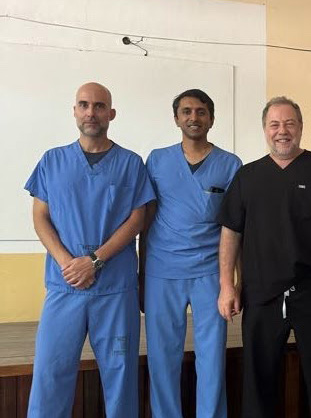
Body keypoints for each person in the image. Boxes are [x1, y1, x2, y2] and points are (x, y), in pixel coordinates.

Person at [24, 82, 155, 418]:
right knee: (50, 373)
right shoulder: (52, 160)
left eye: (99, 106)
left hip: (114, 289)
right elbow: (40, 217)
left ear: (111, 113)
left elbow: (137, 219)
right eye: (84, 105)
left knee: (121, 376)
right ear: (74, 111)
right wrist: (68, 263)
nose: (91, 112)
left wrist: (94, 261)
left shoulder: (130, 164)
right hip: (64, 285)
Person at [217, 96, 311, 418]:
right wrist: (227, 285)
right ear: (265, 129)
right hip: (262, 295)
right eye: (274, 124)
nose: (282, 131)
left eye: (289, 123)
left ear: (301, 127)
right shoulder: (247, 176)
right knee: (258, 385)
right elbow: (231, 233)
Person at [140, 89, 242, 418]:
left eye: (200, 111)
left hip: (209, 272)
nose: (193, 117)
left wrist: (234, 282)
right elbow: (145, 220)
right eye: (186, 111)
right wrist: (142, 276)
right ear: (176, 119)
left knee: (211, 357)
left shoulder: (230, 164)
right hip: (162, 271)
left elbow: (235, 227)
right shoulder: (157, 160)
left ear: (211, 119)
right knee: (162, 356)